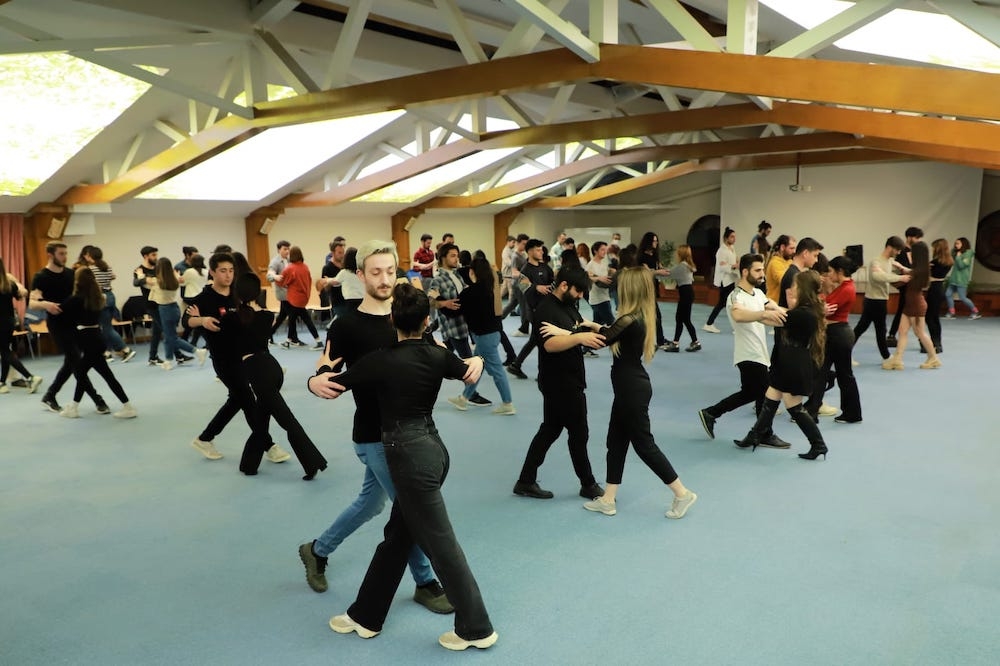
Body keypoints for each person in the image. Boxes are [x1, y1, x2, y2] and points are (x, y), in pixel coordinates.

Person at [310, 283, 495, 651]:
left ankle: (477, 628)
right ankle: (366, 616)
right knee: (397, 538)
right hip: (434, 452)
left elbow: (331, 383)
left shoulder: (380, 360)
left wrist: (321, 369)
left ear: (392, 319)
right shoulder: (438, 355)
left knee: (442, 546)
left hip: (409, 459)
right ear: (427, 321)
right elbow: (469, 370)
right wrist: (477, 360)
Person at [298, 240, 451, 614]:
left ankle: (317, 550)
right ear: (360, 275)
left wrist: (467, 363)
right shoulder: (347, 325)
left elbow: (431, 352)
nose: (384, 279)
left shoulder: (407, 314)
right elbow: (326, 364)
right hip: (374, 436)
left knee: (370, 503)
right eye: (376, 272)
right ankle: (425, 582)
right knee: (410, 510)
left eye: (390, 271)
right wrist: (315, 380)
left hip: (411, 432)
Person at [546, 267, 697, 519]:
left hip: (631, 390)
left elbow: (602, 339)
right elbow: (611, 332)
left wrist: (564, 333)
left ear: (629, 290)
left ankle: (682, 493)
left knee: (644, 445)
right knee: (615, 442)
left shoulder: (629, 319)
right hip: (629, 388)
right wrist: (593, 325)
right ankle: (608, 499)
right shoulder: (637, 317)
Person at [186, 253, 291, 467]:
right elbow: (187, 320)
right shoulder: (204, 298)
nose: (228, 275)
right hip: (223, 359)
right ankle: (269, 446)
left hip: (243, 358)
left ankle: (205, 438)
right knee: (247, 399)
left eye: (231, 271)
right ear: (212, 272)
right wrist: (201, 320)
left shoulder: (237, 294)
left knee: (237, 399)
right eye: (223, 271)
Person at [513, 264, 605, 500]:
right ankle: (588, 484)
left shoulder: (568, 305)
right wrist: (579, 338)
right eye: (578, 291)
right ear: (564, 285)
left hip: (569, 378)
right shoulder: (546, 310)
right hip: (560, 382)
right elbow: (549, 344)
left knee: (550, 429)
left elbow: (578, 326)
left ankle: (525, 480)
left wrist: (591, 331)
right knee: (578, 433)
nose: (581, 296)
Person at [233, 273, 326, 479]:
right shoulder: (267, 316)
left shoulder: (233, 318)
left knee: (287, 421)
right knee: (261, 419)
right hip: (272, 368)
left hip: (258, 373)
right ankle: (248, 465)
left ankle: (312, 463)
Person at [736, 270, 830, 461]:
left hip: (793, 364)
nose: (792, 288)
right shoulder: (807, 310)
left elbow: (768, 318)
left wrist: (744, 310)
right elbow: (780, 313)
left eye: (795, 285)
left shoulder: (803, 314)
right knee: (770, 399)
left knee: (794, 407)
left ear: (802, 288)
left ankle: (819, 445)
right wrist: (767, 307)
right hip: (788, 360)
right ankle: (755, 435)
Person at [697, 253, 787, 445]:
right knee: (766, 392)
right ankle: (764, 433)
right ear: (745, 272)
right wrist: (763, 314)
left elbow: (777, 310)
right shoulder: (735, 296)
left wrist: (806, 314)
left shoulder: (759, 294)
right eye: (758, 270)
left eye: (763, 270)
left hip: (759, 353)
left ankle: (711, 413)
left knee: (750, 393)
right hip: (748, 354)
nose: (762, 274)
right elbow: (738, 316)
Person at [31, 242, 109, 414]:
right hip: (57, 325)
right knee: (76, 361)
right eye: (61, 254)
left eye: (66, 253)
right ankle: (98, 400)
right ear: (50, 255)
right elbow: (32, 302)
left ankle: (50, 395)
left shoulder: (71, 274)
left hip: (75, 323)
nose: (65, 257)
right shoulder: (41, 277)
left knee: (71, 362)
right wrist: (46, 305)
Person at [56, 267, 137, 419]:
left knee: (81, 373)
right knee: (104, 375)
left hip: (88, 341)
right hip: (97, 338)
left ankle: (74, 408)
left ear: (78, 281)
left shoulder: (77, 299)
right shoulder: (98, 297)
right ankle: (127, 406)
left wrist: (41, 301)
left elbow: (59, 311)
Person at [451, 256, 515, 414]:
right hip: (493, 333)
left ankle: (507, 404)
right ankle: (464, 398)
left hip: (484, 336)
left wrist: (439, 303)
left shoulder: (469, 292)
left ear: (473, 272)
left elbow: (455, 311)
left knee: (496, 370)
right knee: (477, 366)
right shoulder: (491, 289)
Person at [804, 256, 862, 423]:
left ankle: (849, 413)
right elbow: (824, 303)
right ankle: (814, 409)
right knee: (824, 372)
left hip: (838, 334)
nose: (829, 274)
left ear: (840, 271)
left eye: (830, 271)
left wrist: (816, 300)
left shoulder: (846, 289)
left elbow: (826, 305)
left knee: (839, 374)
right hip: (836, 333)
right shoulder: (845, 287)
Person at [883, 241, 941, 371]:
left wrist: (886, 275)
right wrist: (901, 268)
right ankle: (897, 360)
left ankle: (933, 358)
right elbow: (908, 272)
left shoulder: (917, 272)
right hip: (911, 305)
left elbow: (900, 281)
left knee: (919, 332)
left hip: (915, 306)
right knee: (902, 331)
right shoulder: (922, 270)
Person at [853, 236, 909, 361]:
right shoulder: (876, 261)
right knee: (879, 330)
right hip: (874, 301)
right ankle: (887, 357)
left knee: (862, 328)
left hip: (878, 300)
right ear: (889, 247)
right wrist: (900, 278)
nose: (898, 253)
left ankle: (885, 356)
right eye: (897, 250)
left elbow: (902, 269)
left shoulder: (890, 261)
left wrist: (912, 271)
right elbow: (878, 276)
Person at [506, 238, 553, 380]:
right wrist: (536, 287)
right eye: (538, 250)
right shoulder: (525, 270)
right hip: (534, 311)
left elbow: (553, 282)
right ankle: (542, 373)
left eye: (541, 249)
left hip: (547, 309)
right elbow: (524, 288)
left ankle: (516, 365)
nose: (541, 252)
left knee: (535, 340)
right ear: (530, 252)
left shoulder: (545, 267)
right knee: (543, 341)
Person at [81, 246, 135, 363]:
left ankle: (125, 349)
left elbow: (90, 285)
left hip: (100, 297)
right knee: (105, 326)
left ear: (90, 256)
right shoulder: (106, 268)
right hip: (110, 295)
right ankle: (106, 353)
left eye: (88, 255)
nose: (86, 257)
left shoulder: (90, 269)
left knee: (106, 328)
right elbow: (112, 277)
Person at [148, 258, 203, 371]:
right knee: (169, 337)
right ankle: (168, 361)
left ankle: (197, 351)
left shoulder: (156, 282)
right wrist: (176, 274)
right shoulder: (175, 279)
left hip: (165, 310)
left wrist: (139, 275)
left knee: (172, 338)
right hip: (174, 308)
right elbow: (180, 279)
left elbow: (143, 281)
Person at [0, 258, 43, 395]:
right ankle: (2, 383)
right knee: (5, 351)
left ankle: (30, 377)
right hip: (10, 322)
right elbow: (20, 296)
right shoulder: (9, 284)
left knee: (5, 352)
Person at [277, 246, 323, 350]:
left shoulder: (290, 268)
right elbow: (309, 281)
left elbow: (281, 281)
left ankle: (290, 342)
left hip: (294, 299)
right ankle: (289, 341)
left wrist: (275, 277)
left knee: (296, 320)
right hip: (303, 298)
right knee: (296, 319)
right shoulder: (305, 267)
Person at [887, 226, 924, 346]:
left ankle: (892, 335)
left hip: (913, 285)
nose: (918, 240)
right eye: (916, 238)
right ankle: (921, 340)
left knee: (907, 311)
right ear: (909, 237)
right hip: (905, 285)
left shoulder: (916, 251)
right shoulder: (901, 251)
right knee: (909, 311)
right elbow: (903, 269)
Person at [661, 244, 700, 352]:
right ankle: (694, 342)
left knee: (680, 318)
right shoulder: (687, 265)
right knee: (685, 319)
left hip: (685, 293)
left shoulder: (682, 266)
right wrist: (662, 269)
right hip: (687, 293)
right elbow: (671, 272)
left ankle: (676, 344)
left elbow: (669, 274)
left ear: (680, 254)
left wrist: (654, 272)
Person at [132, 245, 167, 366]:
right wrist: (145, 279)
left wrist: (148, 279)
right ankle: (179, 355)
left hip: (162, 302)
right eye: (153, 255)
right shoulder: (139, 270)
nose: (156, 257)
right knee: (166, 330)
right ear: (146, 256)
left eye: (156, 254)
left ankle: (153, 357)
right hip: (150, 305)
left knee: (157, 331)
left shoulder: (158, 268)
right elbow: (136, 282)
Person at [704, 226, 738, 333]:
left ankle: (710, 323)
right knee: (724, 303)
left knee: (727, 303)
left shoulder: (732, 249)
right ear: (726, 238)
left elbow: (731, 262)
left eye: (734, 237)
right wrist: (734, 266)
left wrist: (735, 264)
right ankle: (709, 323)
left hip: (731, 279)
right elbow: (723, 266)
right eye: (732, 237)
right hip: (725, 280)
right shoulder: (721, 251)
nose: (734, 239)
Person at [637, 232, 668, 346]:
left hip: (653, 287)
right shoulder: (641, 257)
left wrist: (665, 271)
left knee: (654, 316)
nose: (656, 243)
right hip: (644, 288)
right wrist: (658, 271)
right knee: (652, 315)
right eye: (654, 241)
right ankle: (657, 340)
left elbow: (660, 268)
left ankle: (659, 340)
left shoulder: (654, 255)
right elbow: (647, 272)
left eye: (656, 240)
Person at [266, 240, 297, 345]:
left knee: (282, 317)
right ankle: (293, 339)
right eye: (285, 249)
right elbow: (269, 275)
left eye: (288, 249)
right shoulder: (275, 262)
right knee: (292, 315)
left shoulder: (289, 260)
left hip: (290, 292)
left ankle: (268, 335)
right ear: (279, 250)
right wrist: (275, 276)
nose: (287, 251)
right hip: (283, 293)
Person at [926, 238, 952, 353]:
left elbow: (929, 275)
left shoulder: (935, 262)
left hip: (934, 289)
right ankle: (938, 342)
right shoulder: (949, 262)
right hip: (941, 288)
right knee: (935, 317)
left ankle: (934, 342)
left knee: (929, 317)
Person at [944, 237, 980, 319]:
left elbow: (961, 266)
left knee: (962, 297)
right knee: (948, 294)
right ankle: (951, 312)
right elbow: (951, 259)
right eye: (955, 243)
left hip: (961, 279)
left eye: (958, 243)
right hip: (954, 279)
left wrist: (958, 257)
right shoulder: (957, 253)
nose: (956, 245)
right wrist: (955, 252)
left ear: (963, 244)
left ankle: (975, 311)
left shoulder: (968, 254)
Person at [180, 254, 207, 346]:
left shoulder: (189, 271)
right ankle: (193, 341)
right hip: (202, 297)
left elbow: (182, 283)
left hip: (191, 298)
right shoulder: (206, 271)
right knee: (198, 319)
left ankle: (186, 339)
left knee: (188, 319)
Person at [586, 241, 615, 326]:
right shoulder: (590, 265)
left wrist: (611, 272)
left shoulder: (604, 264)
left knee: (597, 324)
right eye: (602, 250)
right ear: (595, 251)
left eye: (605, 250)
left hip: (605, 296)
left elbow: (606, 278)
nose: (605, 252)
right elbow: (587, 278)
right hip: (598, 299)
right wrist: (598, 278)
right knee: (611, 323)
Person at [764, 235, 796, 304]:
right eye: (791, 248)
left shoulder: (790, 261)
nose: (794, 251)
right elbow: (786, 281)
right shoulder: (775, 263)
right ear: (782, 247)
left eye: (794, 248)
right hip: (774, 304)